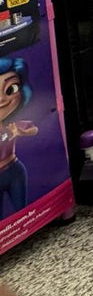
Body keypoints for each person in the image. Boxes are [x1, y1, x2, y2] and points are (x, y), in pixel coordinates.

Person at [0, 58, 36, 218]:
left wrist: (22, 132)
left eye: (10, 89)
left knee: (23, 211)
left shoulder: (11, 125)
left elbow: (33, 128)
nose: (2, 100)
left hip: (15, 170)